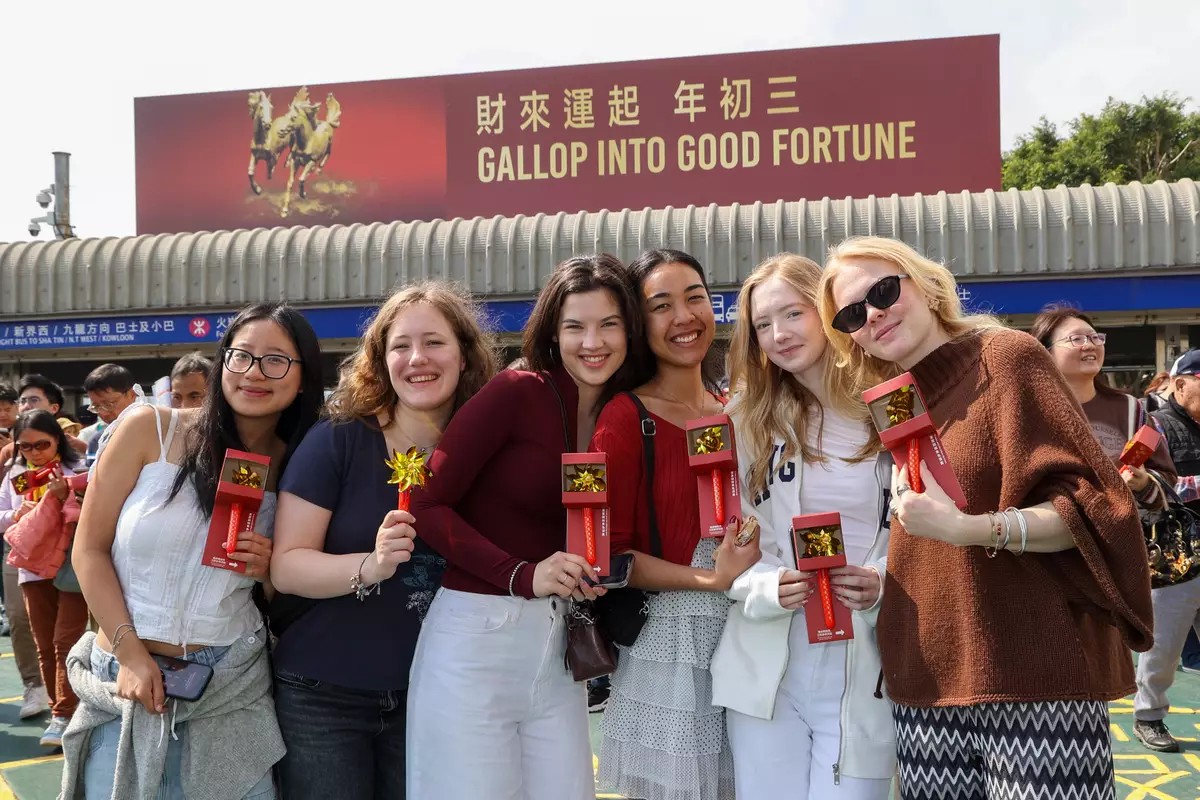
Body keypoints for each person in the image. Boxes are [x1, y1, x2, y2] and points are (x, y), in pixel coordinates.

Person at [818, 235, 1153, 799]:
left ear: (926, 284)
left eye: (883, 291)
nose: (872, 314)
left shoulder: (1006, 357)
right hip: (926, 683)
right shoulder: (894, 401)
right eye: (852, 314)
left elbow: (1093, 506)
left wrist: (968, 529)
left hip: (1033, 674)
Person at [60, 303, 324, 800]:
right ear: (223, 361)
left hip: (229, 687)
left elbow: (285, 594)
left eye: (276, 360)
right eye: (242, 356)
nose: (254, 373)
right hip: (124, 682)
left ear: (304, 375)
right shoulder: (150, 428)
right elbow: (89, 550)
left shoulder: (303, 462)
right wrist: (131, 654)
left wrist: (268, 570)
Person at [409, 255, 641, 800]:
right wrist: (520, 573)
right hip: (476, 643)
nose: (593, 342)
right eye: (575, 326)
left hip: (560, 649)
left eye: (608, 324)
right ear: (552, 333)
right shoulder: (516, 391)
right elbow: (425, 502)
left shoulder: (624, 411)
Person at [270, 282, 497, 800]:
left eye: (434, 342)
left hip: (439, 692)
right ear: (381, 360)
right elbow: (286, 566)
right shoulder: (339, 438)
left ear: (464, 355)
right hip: (324, 693)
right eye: (401, 346)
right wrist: (369, 565)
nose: (417, 359)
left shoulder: (487, 448)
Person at [711, 253, 895, 800]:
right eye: (763, 325)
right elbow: (728, 535)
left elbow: (928, 520)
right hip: (768, 658)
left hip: (867, 656)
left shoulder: (890, 402)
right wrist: (765, 585)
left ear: (827, 309)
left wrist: (883, 579)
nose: (779, 335)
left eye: (793, 313)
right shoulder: (745, 417)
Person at [593, 248, 760, 800]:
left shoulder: (737, 412)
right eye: (661, 305)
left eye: (694, 298)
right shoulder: (626, 415)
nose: (683, 316)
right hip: (671, 644)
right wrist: (711, 578)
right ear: (639, 325)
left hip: (750, 631)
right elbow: (609, 553)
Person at [1032, 306, 1175, 513]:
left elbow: (1167, 479)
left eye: (1095, 338)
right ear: (1046, 353)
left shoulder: (1130, 409)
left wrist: (1144, 483)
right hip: (1048, 528)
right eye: (1076, 339)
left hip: (1121, 529)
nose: (1090, 345)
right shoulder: (1031, 412)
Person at [0, 409, 87, 746]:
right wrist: (16, 514)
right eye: (25, 446)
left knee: (67, 641)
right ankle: (60, 710)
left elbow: (97, 514)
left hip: (72, 565)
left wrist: (68, 497)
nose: (34, 453)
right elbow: (2, 514)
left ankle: (65, 712)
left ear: (58, 441)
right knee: (46, 644)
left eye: (42, 444)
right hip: (32, 567)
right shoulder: (17, 476)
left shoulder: (77, 471)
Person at [1133, 349, 1200, 749]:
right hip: (1174, 555)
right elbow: (1135, 479)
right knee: (1164, 646)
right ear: (1180, 384)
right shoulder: (1152, 426)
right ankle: (1149, 717)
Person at [80, 364, 141, 468]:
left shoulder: (155, 434)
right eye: (96, 406)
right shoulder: (97, 441)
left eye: (109, 404)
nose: (104, 413)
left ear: (132, 394)